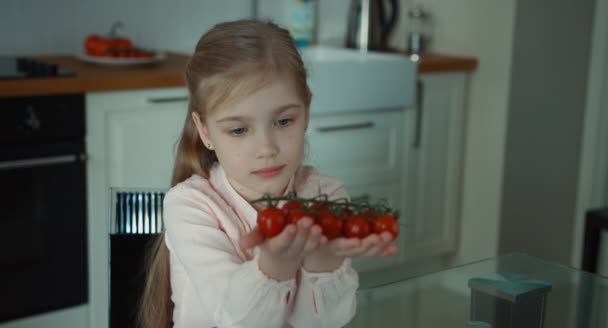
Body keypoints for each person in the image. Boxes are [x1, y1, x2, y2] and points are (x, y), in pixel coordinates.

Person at [138, 19, 398, 328]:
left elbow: (327, 322)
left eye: (284, 121)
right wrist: (275, 266)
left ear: (306, 112)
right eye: (238, 129)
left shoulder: (325, 196)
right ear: (205, 131)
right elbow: (235, 320)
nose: (266, 148)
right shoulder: (190, 206)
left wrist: (324, 262)